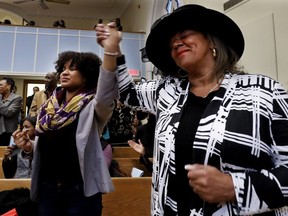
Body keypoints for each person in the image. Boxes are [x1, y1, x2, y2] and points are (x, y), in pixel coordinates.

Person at [96, 4, 288, 216]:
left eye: (184, 34)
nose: (176, 43)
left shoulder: (264, 92)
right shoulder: (167, 91)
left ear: (212, 40)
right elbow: (126, 93)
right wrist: (112, 49)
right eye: (171, 43)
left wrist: (236, 187)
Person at [13, 51, 117, 215]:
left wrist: (110, 50)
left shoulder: (93, 106)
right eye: (63, 68)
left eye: (72, 69)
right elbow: (51, 145)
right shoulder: (49, 107)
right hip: (48, 189)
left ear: (87, 75)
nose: (65, 72)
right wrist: (30, 146)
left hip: (80, 190)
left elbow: (107, 87)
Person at [0, 77, 23, 146]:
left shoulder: (17, 98)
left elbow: (8, 112)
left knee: (5, 154)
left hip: (8, 132)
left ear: (9, 86)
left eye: (1, 85)